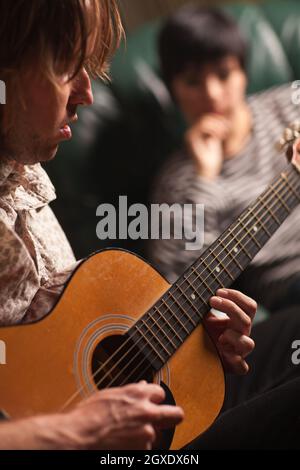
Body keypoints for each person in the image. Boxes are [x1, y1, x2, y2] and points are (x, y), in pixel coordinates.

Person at [0, 0, 258, 450]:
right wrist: (72, 430)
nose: (87, 93)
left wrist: (189, 348)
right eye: (66, 67)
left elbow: (66, 350)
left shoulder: (22, 167)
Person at [148, 6, 300, 313]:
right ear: (173, 90)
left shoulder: (290, 104)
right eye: (193, 81)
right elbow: (178, 289)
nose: (213, 94)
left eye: (223, 74)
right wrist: (205, 177)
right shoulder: (177, 182)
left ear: (243, 73)